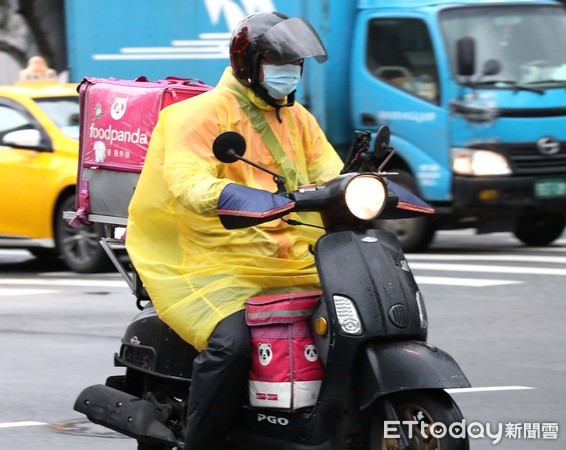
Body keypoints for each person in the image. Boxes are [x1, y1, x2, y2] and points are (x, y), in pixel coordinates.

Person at [125, 11, 343, 450]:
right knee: (233, 344)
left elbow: (330, 172)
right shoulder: (196, 115)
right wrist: (230, 195)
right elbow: (187, 179)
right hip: (205, 260)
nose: (290, 74)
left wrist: (359, 186)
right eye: (280, 63)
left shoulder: (298, 118)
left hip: (288, 255)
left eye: (296, 65)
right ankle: (201, 442)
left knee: (347, 324)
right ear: (249, 65)